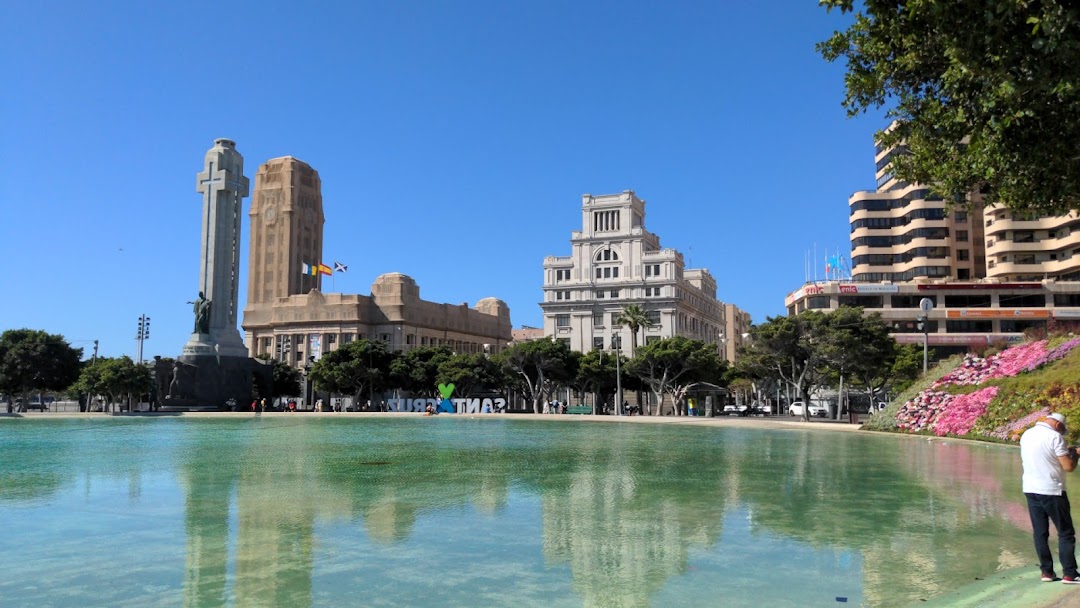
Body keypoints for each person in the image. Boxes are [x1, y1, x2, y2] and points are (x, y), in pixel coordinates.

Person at [1020, 412, 1080, 584]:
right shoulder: (1055, 437)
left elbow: (1042, 458)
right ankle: (1070, 574)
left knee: (1040, 533)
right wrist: (1075, 455)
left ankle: (1046, 572)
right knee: (1065, 533)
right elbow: (1068, 467)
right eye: (1063, 430)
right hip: (1052, 490)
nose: (1062, 434)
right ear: (1058, 425)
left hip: (1030, 489)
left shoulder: (1027, 434)